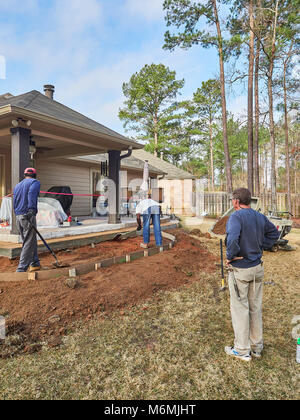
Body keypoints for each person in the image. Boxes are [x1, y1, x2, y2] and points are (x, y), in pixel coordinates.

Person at [225, 188, 280, 362]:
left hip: (241, 269)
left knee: (240, 309)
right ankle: (256, 347)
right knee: (255, 307)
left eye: (232, 200)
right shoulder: (259, 216)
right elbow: (274, 233)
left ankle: (242, 350)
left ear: (235, 201)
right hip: (257, 268)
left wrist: (230, 256)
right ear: (249, 201)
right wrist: (260, 246)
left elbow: (232, 239)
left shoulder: (235, 217)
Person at [13, 168, 41, 273]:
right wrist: (31, 210)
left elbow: (15, 201)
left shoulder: (17, 185)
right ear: (35, 175)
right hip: (28, 215)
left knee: (29, 240)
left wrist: (17, 213)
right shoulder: (35, 183)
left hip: (18, 216)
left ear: (25, 175)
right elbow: (31, 195)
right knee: (28, 242)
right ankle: (21, 269)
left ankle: (34, 263)